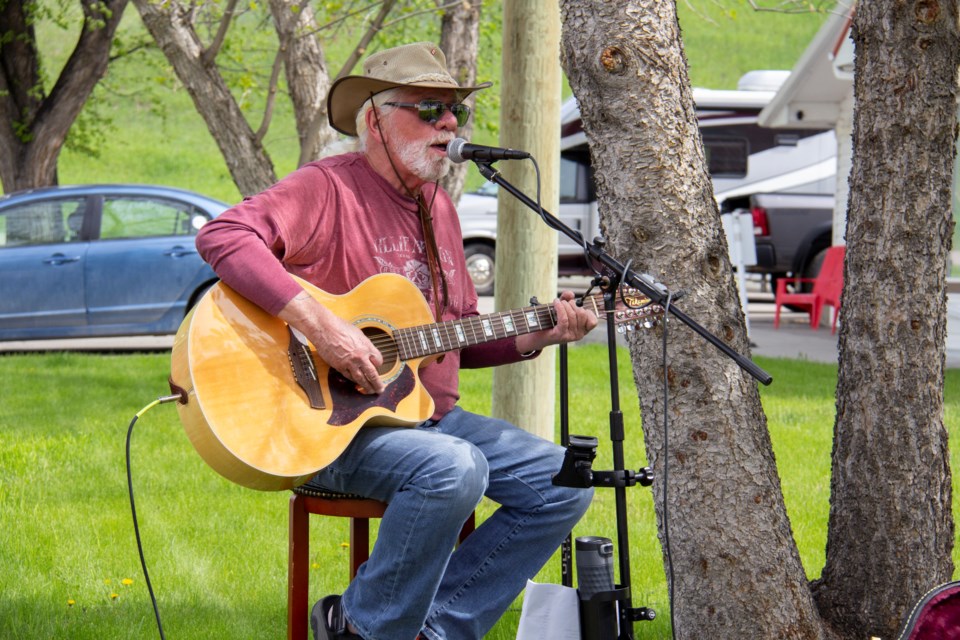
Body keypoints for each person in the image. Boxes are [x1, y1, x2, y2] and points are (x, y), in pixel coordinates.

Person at [195, 41, 597, 640]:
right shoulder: (326, 188)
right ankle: (363, 626)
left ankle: (431, 628)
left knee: (566, 479)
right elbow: (224, 236)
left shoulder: (440, 208)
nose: (452, 124)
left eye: (454, 111)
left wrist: (536, 334)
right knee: (454, 468)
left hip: (426, 419)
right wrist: (325, 329)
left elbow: (452, 339)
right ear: (376, 119)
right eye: (430, 110)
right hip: (328, 428)